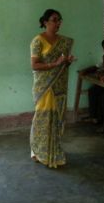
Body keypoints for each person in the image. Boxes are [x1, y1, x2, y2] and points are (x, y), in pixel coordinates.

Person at [30, 9, 75, 168]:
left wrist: (66, 62)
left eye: (59, 20)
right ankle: (38, 150)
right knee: (43, 119)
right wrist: (54, 64)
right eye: (54, 20)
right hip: (44, 86)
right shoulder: (38, 41)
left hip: (58, 86)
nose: (58, 23)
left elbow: (62, 65)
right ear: (45, 22)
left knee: (56, 119)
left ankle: (53, 150)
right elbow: (34, 65)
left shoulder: (64, 41)